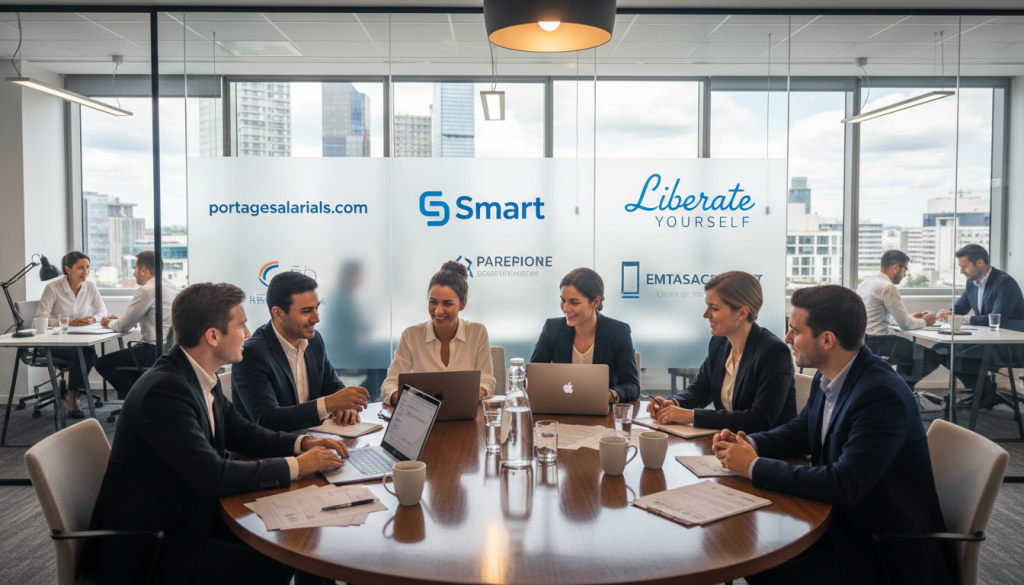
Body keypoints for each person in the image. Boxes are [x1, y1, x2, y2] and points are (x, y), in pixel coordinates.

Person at [85, 282, 350, 585]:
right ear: (212, 336)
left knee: (297, 538)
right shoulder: (165, 390)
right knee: (273, 565)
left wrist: (303, 444)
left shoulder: (196, 376)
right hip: (152, 545)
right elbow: (212, 474)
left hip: (190, 517)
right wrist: (299, 466)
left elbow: (244, 433)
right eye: (241, 326)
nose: (248, 335)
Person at [714, 285, 954, 585]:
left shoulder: (880, 395)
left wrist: (752, 466)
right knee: (749, 549)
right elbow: (802, 430)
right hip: (840, 525)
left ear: (827, 339)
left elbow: (844, 483)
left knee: (760, 564)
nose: (787, 339)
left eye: (795, 330)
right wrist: (750, 442)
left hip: (878, 548)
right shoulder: (830, 374)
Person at [646, 271, 795, 432]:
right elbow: (700, 390)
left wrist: (691, 416)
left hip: (767, 452)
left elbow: (760, 419)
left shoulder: (774, 352)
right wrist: (674, 403)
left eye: (714, 308)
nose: (706, 314)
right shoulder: (720, 343)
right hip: (729, 443)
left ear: (742, 313)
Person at [232, 270, 369, 432]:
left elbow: (332, 386)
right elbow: (267, 419)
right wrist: (330, 404)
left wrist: (345, 407)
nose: (316, 318)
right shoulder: (252, 354)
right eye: (306, 311)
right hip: (267, 451)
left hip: (312, 438)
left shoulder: (313, 340)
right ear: (278, 314)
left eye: (317, 308)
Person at [381, 261, 495, 406]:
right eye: (433, 302)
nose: (438, 311)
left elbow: (487, 382)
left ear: (462, 304)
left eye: (447, 304)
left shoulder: (477, 332)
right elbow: (389, 385)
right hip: (421, 417)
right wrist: (409, 402)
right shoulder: (411, 335)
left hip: (465, 416)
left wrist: (462, 399)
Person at [531, 267, 640, 404]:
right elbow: (534, 377)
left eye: (574, 302)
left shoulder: (618, 332)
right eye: (563, 300)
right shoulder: (552, 328)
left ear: (595, 302)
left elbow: (632, 386)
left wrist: (607, 395)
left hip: (602, 415)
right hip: (560, 411)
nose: (565, 309)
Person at [93, 250, 180, 399]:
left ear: (143, 270)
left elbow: (122, 326)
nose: (133, 273)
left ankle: (133, 400)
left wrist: (110, 322)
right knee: (127, 365)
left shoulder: (147, 290)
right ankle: (143, 396)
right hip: (171, 349)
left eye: (135, 268)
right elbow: (153, 317)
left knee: (102, 363)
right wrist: (122, 319)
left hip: (152, 351)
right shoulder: (173, 288)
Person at [34, 251, 108, 419]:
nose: (86, 272)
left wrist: (91, 319)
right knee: (86, 353)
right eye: (80, 268)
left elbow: (102, 311)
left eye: (88, 267)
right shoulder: (53, 288)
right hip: (55, 343)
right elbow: (40, 319)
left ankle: (71, 395)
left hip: (80, 339)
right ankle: (72, 398)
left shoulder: (91, 286)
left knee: (86, 351)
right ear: (67, 269)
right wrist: (68, 323)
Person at [857, 250, 943, 392]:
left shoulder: (866, 283)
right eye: (905, 269)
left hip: (864, 340)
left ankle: (899, 389)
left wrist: (911, 318)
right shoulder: (887, 287)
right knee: (932, 356)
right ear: (896, 267)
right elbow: (906, 325)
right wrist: (924, 322)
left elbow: (877, 317)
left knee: (912, 354)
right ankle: (900, 390)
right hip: (879, 342)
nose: (905, 274)